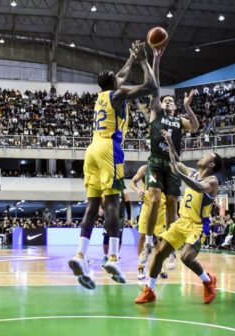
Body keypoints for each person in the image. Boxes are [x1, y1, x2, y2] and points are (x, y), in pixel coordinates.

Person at [68, 40, 158, 289]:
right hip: (110, 148)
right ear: (116, 85)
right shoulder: (119, 94)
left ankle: (80, 255)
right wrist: (142, 60)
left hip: (92, 150)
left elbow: (120, 74)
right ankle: (114, 257)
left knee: (91, 206)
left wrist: (129, 59)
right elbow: (151, 86)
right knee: (113, 205)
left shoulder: (101, 95)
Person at [135, 130, 222, 304]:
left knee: (186, 257)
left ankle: (208, 281)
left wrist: (178, 173)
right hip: (182, 222)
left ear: (211, 164)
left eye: (206, 156)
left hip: (198, 226)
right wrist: (169, 140)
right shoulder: (191, 172)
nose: (202, 155)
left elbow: (198, 187)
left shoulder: (212, 181)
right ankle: (150, 290)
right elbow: (175, 159)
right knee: (159, 253)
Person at [138, 46, 199, 267]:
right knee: (154, 200)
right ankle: (148, 243)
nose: (167, 102)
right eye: (165, 101)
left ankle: (170, 248)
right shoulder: (156, 112)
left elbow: (194, 126)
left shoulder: (179, 120)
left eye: (170, 101)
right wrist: (156, 59)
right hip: (155, 160)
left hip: (174, 164)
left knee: (172, 204)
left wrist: (187, 107)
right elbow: (155, 88)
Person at [130, 164, 170, 281]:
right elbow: (132, 182)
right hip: (147, 207)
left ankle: (160, 266)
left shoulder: (166, 169)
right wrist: (137, 190)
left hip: (161, 209)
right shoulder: (144, 169)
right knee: (142, 236)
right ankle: (141, 267)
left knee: (160, 239)